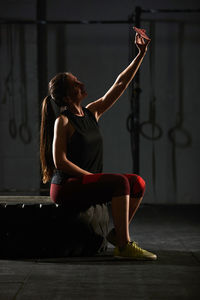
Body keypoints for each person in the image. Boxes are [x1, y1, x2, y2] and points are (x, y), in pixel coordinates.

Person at [40, 32, 157, 260]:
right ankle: (124, 245)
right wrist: (90, 177)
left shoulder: (92, 112)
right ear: (65, 97)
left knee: (137, 183)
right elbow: (60, 162)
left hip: (85, 181)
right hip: (66, 187)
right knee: (120, 182)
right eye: (76, 84)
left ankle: (116, 234)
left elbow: (120, 83)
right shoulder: (62, 121)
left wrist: (141, 53)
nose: (81, 84)